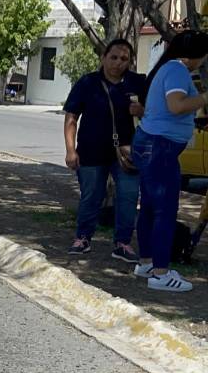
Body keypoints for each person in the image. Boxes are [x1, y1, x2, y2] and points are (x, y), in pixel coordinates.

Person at [132, 30, 208, 292]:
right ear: (196, 54)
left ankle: (146, 263)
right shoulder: (177, 70)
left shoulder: (167, 67)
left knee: (150, 207)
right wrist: (205, 98)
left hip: (151, 143)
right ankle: (161, 274)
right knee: (164, 210)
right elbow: (176, 105)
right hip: (160, 147)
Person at [62, 39, 147, 261]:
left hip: (127, 153)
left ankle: (122, 243)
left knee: (128, 196)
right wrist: (70, 150)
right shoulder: (87, 83)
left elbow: (156, 115)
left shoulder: (138, 83)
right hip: (91, 150)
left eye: (124, 59)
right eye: (114, 57)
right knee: (91, 196)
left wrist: (142, 110)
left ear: (130, 62)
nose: (118, 63)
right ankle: (83, 238)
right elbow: (71, 117)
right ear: (103, 58)